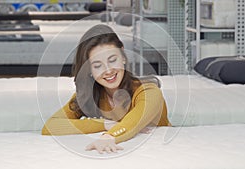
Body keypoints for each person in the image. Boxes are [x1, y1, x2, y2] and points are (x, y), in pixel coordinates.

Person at [42, 24, 171, 154]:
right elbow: (50, 126)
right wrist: (104, 124)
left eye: (112, 60)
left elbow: (134, 122)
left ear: (123, 56)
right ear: (90, 70)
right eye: (98, 66)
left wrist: (109, 136)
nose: (108, 70)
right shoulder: (89, 95)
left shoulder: (149, 91)